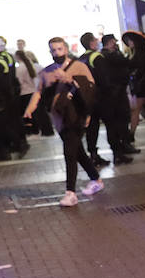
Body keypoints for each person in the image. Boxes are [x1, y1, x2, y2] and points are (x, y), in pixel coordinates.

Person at [24, 37, 103, 207]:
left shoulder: (79, 66)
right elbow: (38, 91)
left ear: (66, 49)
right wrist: (30, 109)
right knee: (77, 152)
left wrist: (70, 79)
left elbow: (90, 90)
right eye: (53, 50)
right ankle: (96, 179)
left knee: (69, 152)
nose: (57, 53)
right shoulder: (47, 71)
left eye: (60, 49)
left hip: (76, 117)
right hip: (58, 118)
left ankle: (70, 192)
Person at [96, 35, 135, 164]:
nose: (115, 44)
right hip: (114, 95)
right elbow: (127, 62)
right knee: (117, 124)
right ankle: (119, 152)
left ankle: (121, 149)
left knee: (117, 124)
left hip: (114, 94)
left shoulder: (104, 56)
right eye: (114, 42)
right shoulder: (109, 56)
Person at [79, 32, 109, 165]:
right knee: (108, 123)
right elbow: (103, 79)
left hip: (85, 97)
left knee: (91, 126)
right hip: (99, 97)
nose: (98, 42)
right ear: (92, 43)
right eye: (96, 40)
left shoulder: (81, 58)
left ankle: (92, 153)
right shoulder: (97, 57)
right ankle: (113, 152)